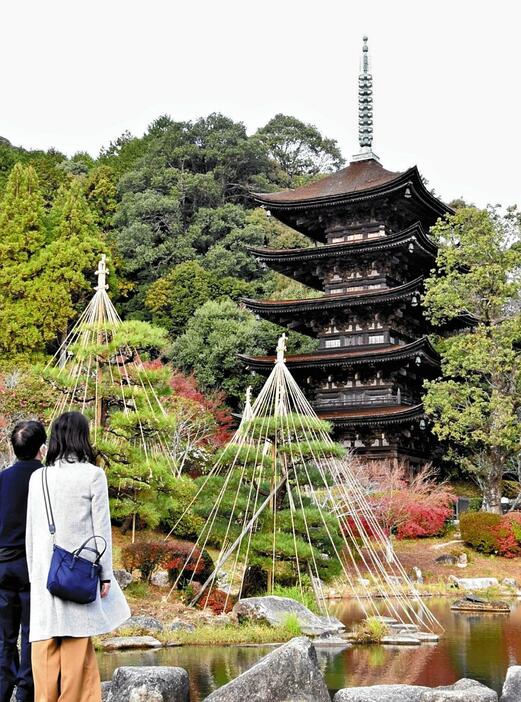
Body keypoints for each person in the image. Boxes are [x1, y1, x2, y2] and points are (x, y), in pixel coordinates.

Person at [26, 411, 130, 702]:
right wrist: (105, 574)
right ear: (82, 437)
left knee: (44, 645)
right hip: (78, 572)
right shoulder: (93, 475)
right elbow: (102, 531)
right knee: (76, 642)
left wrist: (34, 574)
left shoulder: (39, 477)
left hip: (44, 573)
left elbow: (30, 531)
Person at [0, 420, 47, 702]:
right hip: (32, 566)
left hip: (2, 565)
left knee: (4, 636)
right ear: (42, 448)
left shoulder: (2, 478)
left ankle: (3, 691)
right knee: (31, 632)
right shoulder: (45, 478)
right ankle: (26, 692)